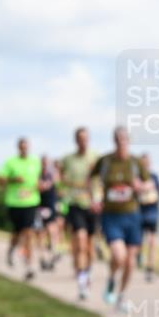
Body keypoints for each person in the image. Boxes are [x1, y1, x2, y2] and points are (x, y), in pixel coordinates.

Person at [90, 127, 149, 312]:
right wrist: (94, 198)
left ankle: (121, 297)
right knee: (119, 256)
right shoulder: (105, 161)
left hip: (132, 215)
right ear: (113, 141)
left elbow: (149, 184)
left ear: (129, 141)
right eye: (118, 139)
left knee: (130, 262)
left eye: (125, 140)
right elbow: (90, 179)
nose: (121, 143)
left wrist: (141, 186)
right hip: (111, 215)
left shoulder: (136, 162)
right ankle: (112, 279)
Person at [59, 127, 100, 300]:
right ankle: (82, 283)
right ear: (76, 140)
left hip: (92, 205)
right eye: (80, 138)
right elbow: (60, 176)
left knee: (90, 248)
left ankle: (86, 272)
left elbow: (102, 179)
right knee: (81, 241)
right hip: (75, 204)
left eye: (86, 138)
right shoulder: (68, 159)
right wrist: (66, 188)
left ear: (89, 140)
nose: (83, 141)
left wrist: (100, 198)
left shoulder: (96, 158)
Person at [0, 137, 42, 281]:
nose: (24, 149)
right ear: (18, 148)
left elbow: (38, 180)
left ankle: (29, 265)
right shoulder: (11, 162)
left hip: (31, 202)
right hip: (14, 202)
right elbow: (0, 180)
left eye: (26, 146)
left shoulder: (35, 162)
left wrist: (39, 186)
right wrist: (13, 180)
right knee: (17, 233)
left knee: (29, 233)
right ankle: (11, 249)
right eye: (22, 146)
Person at [136, 152, 159, 283]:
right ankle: (139, 256)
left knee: (152, 240)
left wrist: (156, 191)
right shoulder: (136, 177)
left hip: (152, 213)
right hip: (138, 213)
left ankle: (150, 267)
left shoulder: (154, 177)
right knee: (138, 241)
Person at [37, 155, 62, 271]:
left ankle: (53, 254)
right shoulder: (37, 174)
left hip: (50, 206)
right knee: (41, 233)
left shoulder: (52, 175)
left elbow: (57, 181)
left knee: (52, 231)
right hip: (40, 206)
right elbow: (39, 187)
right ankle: (43, 258)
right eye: (44, 163)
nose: (45, 165)